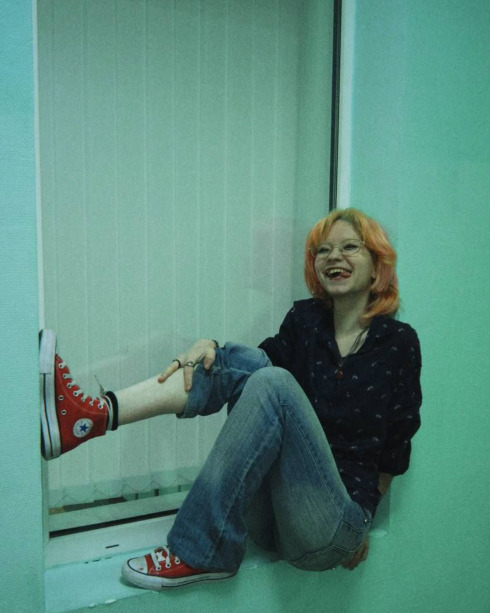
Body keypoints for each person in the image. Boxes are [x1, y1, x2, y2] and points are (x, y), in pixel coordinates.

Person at [39, 208, 422, 591]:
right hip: (273, 516)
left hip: (331, 526)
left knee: (272, 381)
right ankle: (91, 416)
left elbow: (394, 451)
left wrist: (361, 525)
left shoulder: (398, 342)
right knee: (244, 366)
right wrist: (211, 347)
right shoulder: (305, 321)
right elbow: (246, 368)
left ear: (377, 267)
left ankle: (201, 549)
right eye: (324, 250)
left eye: (349, 247)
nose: (334, 257)